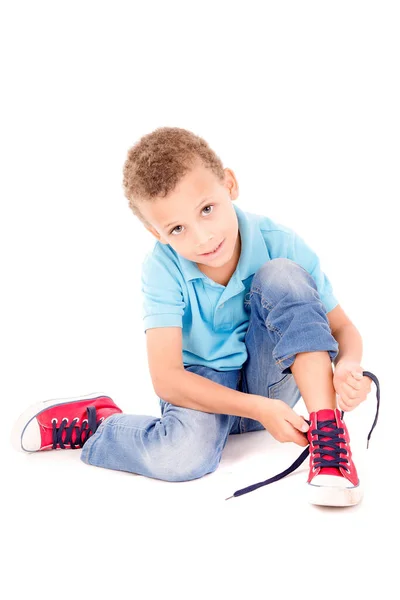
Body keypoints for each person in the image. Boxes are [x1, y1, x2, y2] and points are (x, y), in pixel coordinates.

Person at [11, 127, 376, 507]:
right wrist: (257, 409)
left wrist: (347, 365)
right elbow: (167, 378)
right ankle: (99, 423)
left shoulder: (278, 240)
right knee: (179, 457)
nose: (202, 238)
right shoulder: (162, 269)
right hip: (206, 389)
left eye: (207, 209)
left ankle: (329, 443)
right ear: (157, 232)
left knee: (282, 274)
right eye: (177, 228)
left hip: (271, 383)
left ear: (229, 184)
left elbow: (341, 328)